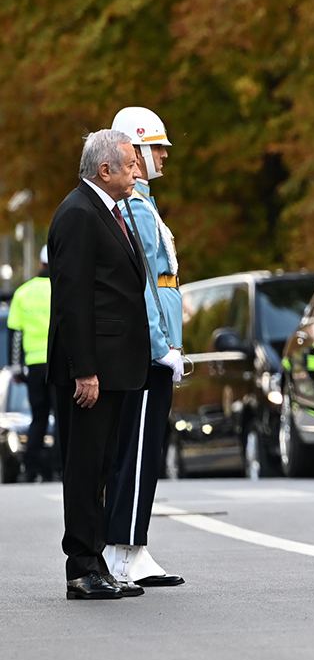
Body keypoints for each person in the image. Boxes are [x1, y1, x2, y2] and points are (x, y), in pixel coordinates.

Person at [48, 129, 150, 600]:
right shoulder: (77, 214)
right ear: (103, 170)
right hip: (90, 371)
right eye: (129, 164)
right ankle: (81, 568)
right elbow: (72, 299)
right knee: (85, 466)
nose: (137, 171)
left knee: (103, 464)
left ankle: (97, 561)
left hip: (114, 365)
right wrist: (83, 369)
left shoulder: (108, 210)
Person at [102, 106, 186, 587]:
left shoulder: (144, 203)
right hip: (150, 348)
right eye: (155, 148)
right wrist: (162, 344)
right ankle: (125, 549)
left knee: (144, 448)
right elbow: (146, 287)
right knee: (138, 450)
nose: (161, 157)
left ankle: (132, 545)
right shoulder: (133, 205)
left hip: (157, 344)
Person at [7, 246, 58, 483]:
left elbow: (15, 333)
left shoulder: (23, 292)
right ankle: (58, 467)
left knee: (38, 417)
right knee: (60, 418)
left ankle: (30, 467)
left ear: (40, 264)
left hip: (35, 366)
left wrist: (16, 367)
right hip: (59, 364)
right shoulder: (61, 290)